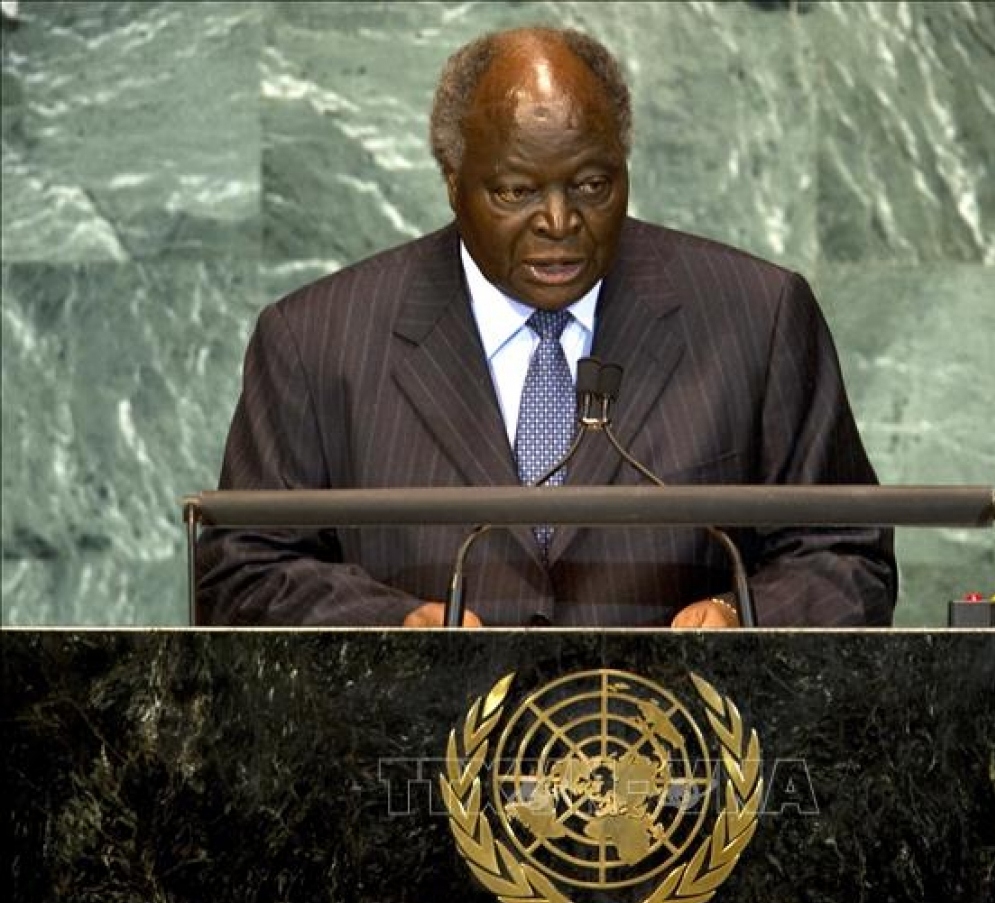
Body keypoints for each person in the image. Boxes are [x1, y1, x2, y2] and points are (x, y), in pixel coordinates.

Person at [196, 25, 897, 628]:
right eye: (516, 191)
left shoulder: (756, 315)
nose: (559, 223)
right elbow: (240, 570)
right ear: (451, 176)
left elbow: (846, 554)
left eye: (592, 185)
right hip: (415, 765)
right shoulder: (317, 339)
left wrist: (744, 612)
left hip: (682, 764)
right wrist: (389, 625)